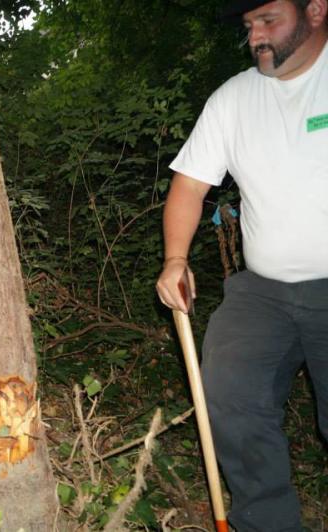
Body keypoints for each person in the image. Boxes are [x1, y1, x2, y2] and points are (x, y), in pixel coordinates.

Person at [156, 0, 328, 529]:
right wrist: (175, 259)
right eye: (249, 25)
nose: (255, 35)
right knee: (229, 395)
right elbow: (189, 185)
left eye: (268, 20)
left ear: (315, 11)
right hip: (263, 293)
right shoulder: (234, 98)